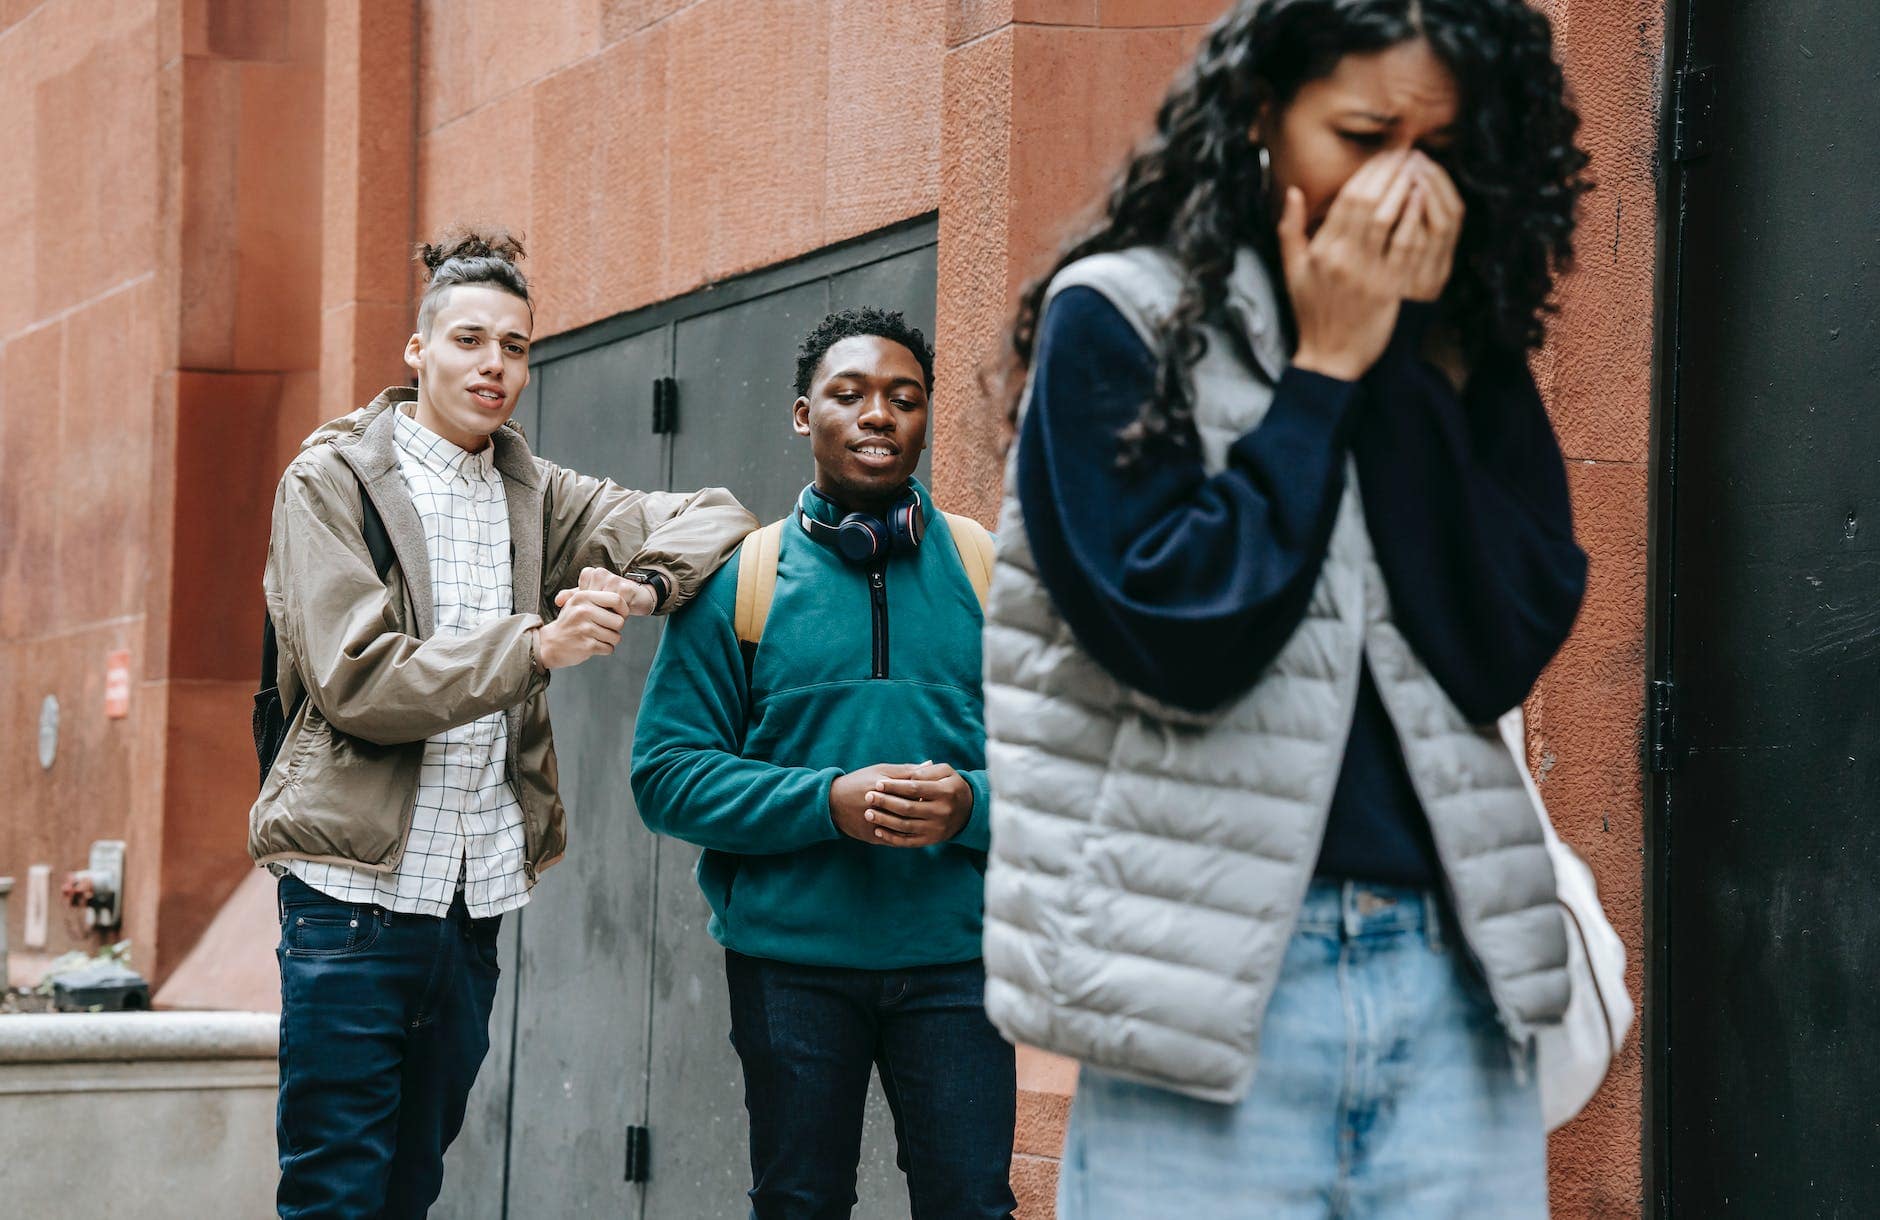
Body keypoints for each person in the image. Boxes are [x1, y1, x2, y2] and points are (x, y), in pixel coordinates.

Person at [978, 1, 1591, 1216]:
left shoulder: (1459, 339)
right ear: (1261, 117)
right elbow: (1176, 636)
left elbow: (1495, 647)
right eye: (1361, 135)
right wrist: (1319, 377)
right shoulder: (1117, 315)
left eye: (1441, 147)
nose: (1399, 184)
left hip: (1448, 979)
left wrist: (1397, 362)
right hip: (1204, 997)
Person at [249, 229, 755, 1219]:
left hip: (467, 904)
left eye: (514, 346)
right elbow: (360, 679)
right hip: (350, 900)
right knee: (333, 1193)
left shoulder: (534, 491)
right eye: (469, 340)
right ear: (418, 348)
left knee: (410, 1188)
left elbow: (713, 510)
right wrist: (535, 648)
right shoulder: (333, 481)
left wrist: (644, 587)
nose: (493, 366)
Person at [631, 308, 1018, 1219]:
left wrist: (973, 804)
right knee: (799, 1203)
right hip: (789, 969)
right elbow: (666, 773)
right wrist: (824, 802)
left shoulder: (989, 575)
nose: (878, 414)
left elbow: (1072, 771)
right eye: (849, 395)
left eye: (903, 398)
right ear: (805, 416)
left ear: (924, 420)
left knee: (972, 1203)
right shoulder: (740, 580)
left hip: (961, 963)